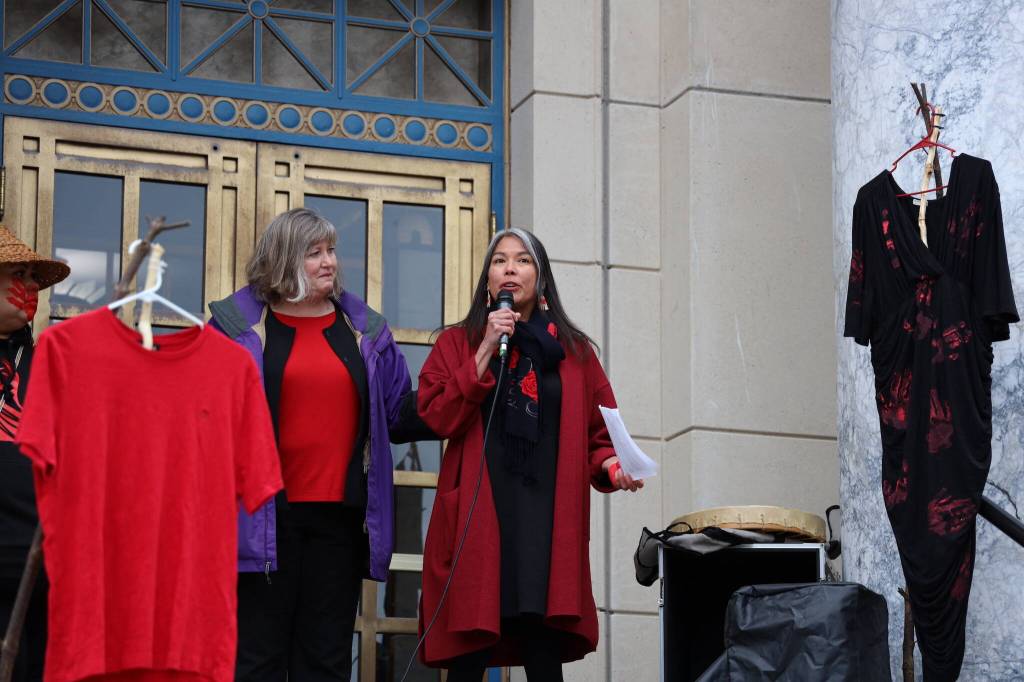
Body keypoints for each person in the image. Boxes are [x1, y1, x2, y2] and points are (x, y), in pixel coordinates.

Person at [416, 228, 643, 681]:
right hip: (480, 513)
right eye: (499, 261)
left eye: (522, 261)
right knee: (469, 653)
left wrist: (614, 465)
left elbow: (601, 432)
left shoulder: (575, 353)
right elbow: (436, 414)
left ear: (540, 280)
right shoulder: (457, 344)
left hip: (545, 516)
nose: (510, 269)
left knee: (543, 653)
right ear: (488, 281)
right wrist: (484, 349)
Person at [208, 208, 412, 681]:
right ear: (282, 260)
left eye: (332, 251)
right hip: (260, 519)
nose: (329, 263)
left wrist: (471, 380)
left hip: (337, 523)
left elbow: (399, 412)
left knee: (325, 661)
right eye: (314, 253)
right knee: (257, 660)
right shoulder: (233, 328)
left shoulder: (365, 330)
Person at [0, 226, 69, 681]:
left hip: (41, 563)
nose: (27, 288)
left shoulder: (49, 363)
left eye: (31, 277)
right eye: (15, 274)